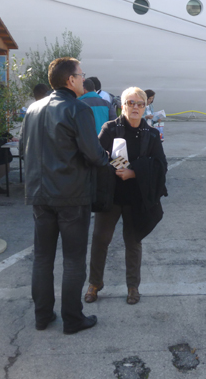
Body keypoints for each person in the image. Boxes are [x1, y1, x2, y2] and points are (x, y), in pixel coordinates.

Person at [20, 57, 109, 335]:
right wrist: (108, 156)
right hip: (71, 195)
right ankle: (72, 319)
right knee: (73, 260)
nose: (83, 79)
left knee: (42, 258)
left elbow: (23, 149)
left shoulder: (33, 108)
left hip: (39, 194)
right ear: (71, 80)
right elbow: (93, 154)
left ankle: (42, 316)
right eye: (81, 75)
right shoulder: (78, 109)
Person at [84, 87, 167, 306]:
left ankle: (133, 286)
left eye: (140, 104)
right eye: (131, 103)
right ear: (123, 106)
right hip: (110, 196)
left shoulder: (151, 134)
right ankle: (94, 283)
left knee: (133, 242)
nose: (135, 107)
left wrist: (134, 172)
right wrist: (112, 163)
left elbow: (160, 165)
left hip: (136, 197)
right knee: (100, 239)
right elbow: (96, 156)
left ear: (145, 107)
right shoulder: (110, 129)